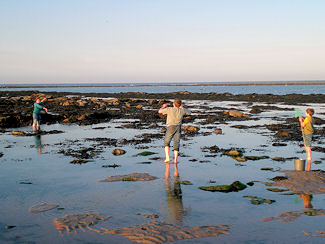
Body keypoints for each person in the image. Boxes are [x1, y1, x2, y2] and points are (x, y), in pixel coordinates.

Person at [158, 98, 190, 163]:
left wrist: (163, 106)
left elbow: (160, 111)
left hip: (171, 127)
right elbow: (189, 112)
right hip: (178, 127)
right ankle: (175, 160)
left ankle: (167, 158)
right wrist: (182, 107)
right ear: (180, 105)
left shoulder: (169, 109)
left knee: (166, 142)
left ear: (173, 104)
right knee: (176, 143)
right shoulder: (182, 110)